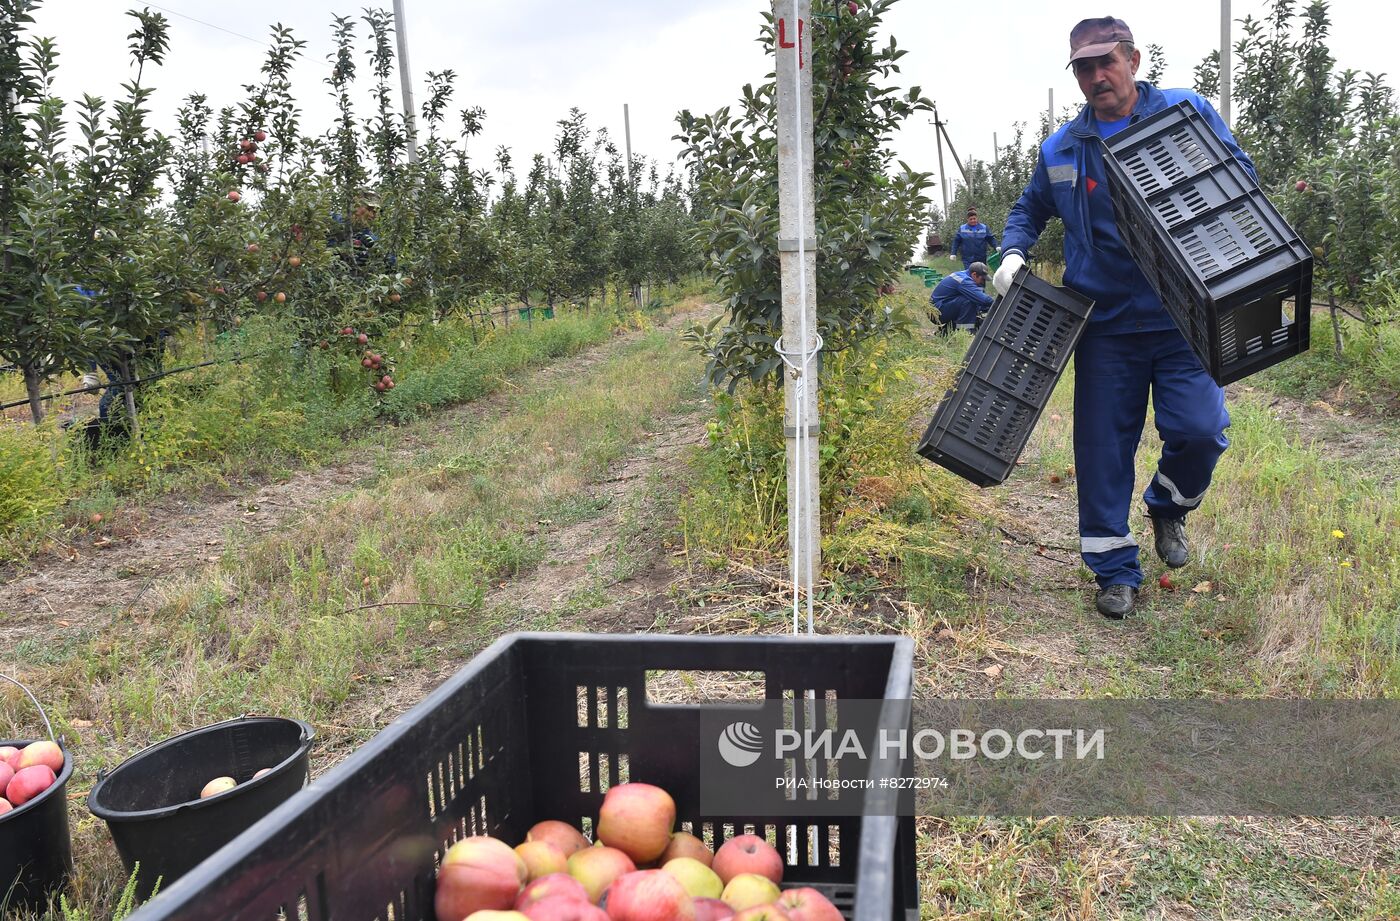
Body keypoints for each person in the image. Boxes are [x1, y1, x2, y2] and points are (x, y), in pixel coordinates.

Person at [994, 16, 1254, 619]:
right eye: (1083, 67)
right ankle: (1114, 570)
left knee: (1198, 429)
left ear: (1132, 60)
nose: (1095, 76)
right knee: (1102, 448)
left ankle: (1168, 503)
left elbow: (1239, 173)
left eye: (1106, 61)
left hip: (1182, 312)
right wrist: (1011, 251)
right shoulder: (1061, 147)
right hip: (1106, 323)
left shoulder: (1184, 114)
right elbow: (1029, 209)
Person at [929, 262, 994, 335]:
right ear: (974, 274)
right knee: (968, 301)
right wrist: (999, 304)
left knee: (968, 303)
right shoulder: (964, 281)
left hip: (939, 309)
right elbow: (984, 300)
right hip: (936, 313)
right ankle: (965, 333)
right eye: (982, 279)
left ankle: (944, 333)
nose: (983, 282)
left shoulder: (963, 275)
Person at [950, 208, 999, 273]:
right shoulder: (962, 228)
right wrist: (953, 253)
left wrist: (996, 246)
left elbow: (990, 238)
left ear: (977, 218)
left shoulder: (984, 228)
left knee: (981, 276)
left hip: (981, 258)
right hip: (968, 259)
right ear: (967, 219)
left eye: (974, 219)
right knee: (970, 276)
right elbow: (956, 241)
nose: (973, 221)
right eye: (971, 219)